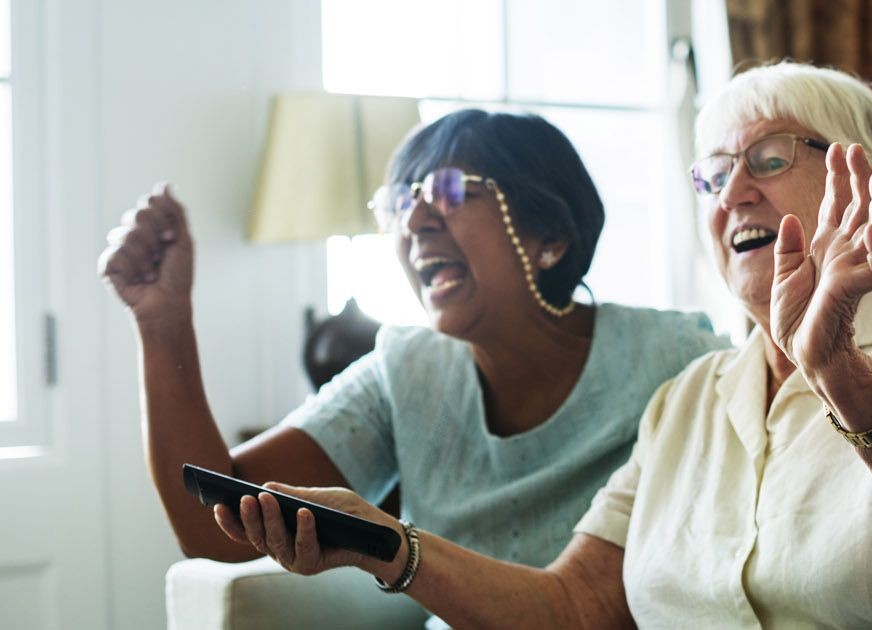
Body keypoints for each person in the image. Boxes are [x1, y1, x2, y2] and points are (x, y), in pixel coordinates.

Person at [209, 63, 872, 628]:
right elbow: (573, 605)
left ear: (867, 174)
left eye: (770, 156)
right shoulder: (691, 400)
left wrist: (839, 370)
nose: (731, 194)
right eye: (713, 174)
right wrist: (388, 545)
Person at [97, 111, 726, 582]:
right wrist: (164, 323)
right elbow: (213, 526)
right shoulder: (407, 371)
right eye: (402, 202)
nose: (416, 221)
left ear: (551, 237)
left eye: (451, 191)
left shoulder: (674, 359)